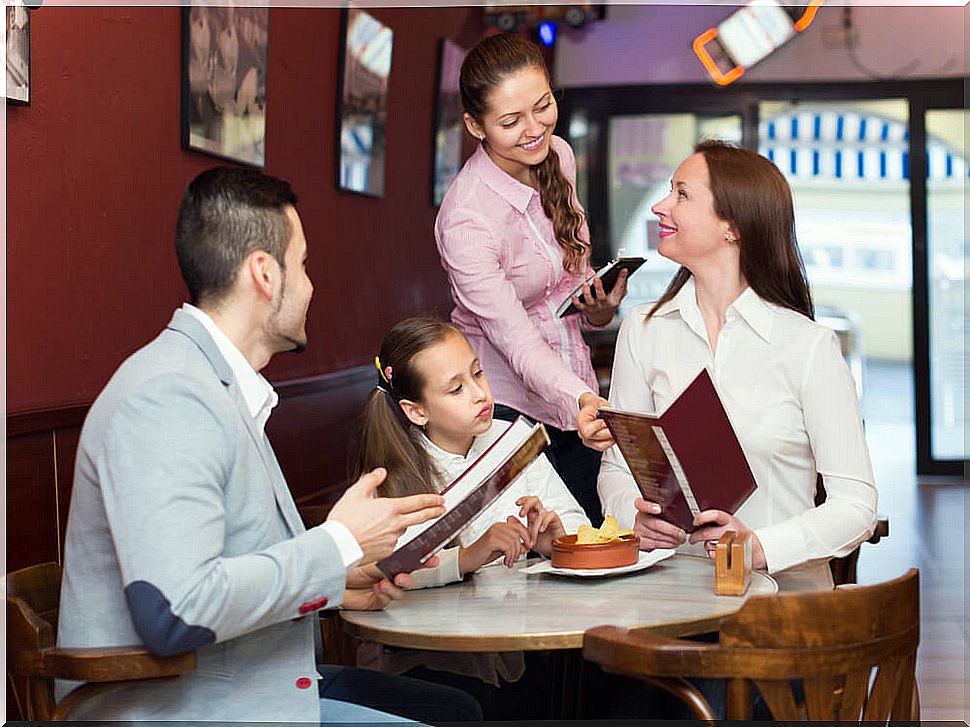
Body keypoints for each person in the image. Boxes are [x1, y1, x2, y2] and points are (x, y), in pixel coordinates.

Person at [55, 167, 482, 724]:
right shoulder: (167, 396)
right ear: (264, 273)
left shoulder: (214, 385)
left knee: (457, 710)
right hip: (185, 709)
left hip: (241, 687)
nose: (309, 284)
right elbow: (177, 612)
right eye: (301, 264)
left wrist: (334, 579)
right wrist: (336, 546)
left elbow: (224, 564)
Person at [579, 140, 878, 593]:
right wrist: (633, 518)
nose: (661, 206)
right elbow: (618, 470)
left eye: (681, 194)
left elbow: (857, 507)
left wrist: (759, 547)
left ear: (732, 227)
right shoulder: (643, 330)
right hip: (670, 603)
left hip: (781, 614)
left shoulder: (808, 347)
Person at [434, 33, 628, 525]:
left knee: (591, 538)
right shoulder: (467, 219)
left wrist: (599, 310)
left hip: (574, 396)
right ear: (474, 125)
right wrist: (581, 398)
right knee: (530, 559)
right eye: (510, 121)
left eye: (543, 106)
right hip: (505, 411)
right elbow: (516, 339)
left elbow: (567, 292)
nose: (534, 129)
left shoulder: (557, 155)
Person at [353, 316, 589, 719]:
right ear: (416, 410)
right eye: (456, 388)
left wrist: (555, 539)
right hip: (431, 657)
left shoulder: (512, 438)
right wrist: (470, 556)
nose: (480, 393)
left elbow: (576, 522)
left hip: (522, 638)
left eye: (478, 373)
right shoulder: (394, 471)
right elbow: (386, 569)